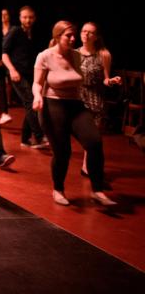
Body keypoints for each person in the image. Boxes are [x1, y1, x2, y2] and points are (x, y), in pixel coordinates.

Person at [32, 21, 115, 206]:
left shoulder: (76, 56)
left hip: (76, 105)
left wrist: (107, 80)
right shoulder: (44, 56)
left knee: (94, 141)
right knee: (63, 152)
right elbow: (37, 83)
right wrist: (37, 97)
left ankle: (97, 190)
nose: (72, 39)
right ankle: (58, 189)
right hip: (52, 106)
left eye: (73, 35)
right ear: (57, 36)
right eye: (67, 36)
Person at [78, 22, 121, 178]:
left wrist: (111, 81)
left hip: (96, 99)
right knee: (84, 136)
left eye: (90, 32)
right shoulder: (74, 53)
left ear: (95, 37)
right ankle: (86, 166)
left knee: (93, 137)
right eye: (83, 31)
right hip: (79, 99)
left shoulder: (103, 54)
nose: (86, 34)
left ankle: (86, 167)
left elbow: (105, 79)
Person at [3, 6, 48, 149]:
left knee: (30, 103)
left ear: (34, 18)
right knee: (30, 101)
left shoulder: (34, 33)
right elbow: (4, 53)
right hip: (17, 73)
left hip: (31, 73)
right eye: (24, 17)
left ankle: (25, 139)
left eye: (30, 17)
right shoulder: (15, 31)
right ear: (20, 18)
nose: (27, 20)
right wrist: (12, 70)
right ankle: (39, 136)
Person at [0, 8, 13, 125]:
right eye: (2, 15)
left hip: (13, 61)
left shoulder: (13, 29)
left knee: (11, 85)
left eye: (6, 14)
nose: (4, 16)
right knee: (0, 86)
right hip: (0, 62)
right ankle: (3, 113)